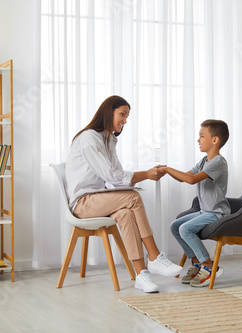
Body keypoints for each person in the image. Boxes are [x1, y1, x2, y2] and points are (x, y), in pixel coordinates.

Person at [65, 95, 182, 293]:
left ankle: (142, 275)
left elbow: (115, 177)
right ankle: (154, 256)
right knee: (133, 197)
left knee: (126, 213)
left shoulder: (109, 139)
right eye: (122, 114)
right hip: (83, 203)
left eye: (127, 116)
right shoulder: (88, 138)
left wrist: (142, 176)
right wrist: (146, 174)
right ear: (108, 112)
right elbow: (110, 174)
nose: (125, 120)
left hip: (98, 199)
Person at [161, 119, 230, 287]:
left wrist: (168, 169)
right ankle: (197, 263)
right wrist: (164, 171)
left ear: (215, 140)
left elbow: (191, 180)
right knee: (175, 226)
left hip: (216, 213)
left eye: (201, 136)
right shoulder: (204, 161)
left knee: (186, 228)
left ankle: (208, 266)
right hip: (204, 211)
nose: (198, 140)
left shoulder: (218, 162)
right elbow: (184, 176)